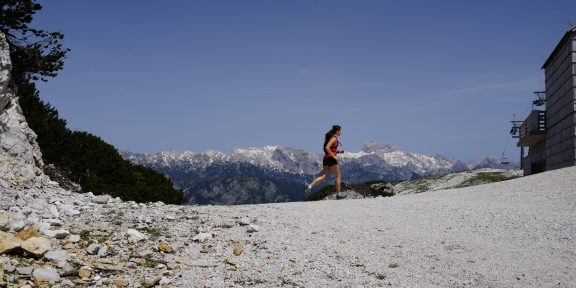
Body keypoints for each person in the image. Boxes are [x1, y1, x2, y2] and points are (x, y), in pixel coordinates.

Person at [305, 125, 344, 195]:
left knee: (324, 176)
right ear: (337, 131)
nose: (341, 132)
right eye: (341, 130)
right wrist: (334, 157)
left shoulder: (331, 138)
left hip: (326, 158)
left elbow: (331, 149)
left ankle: (309, 186)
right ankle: (339, 194)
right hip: (331, 159)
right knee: (338, 175)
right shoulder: (334, 138)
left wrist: (338, 152)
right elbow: (327, 148)